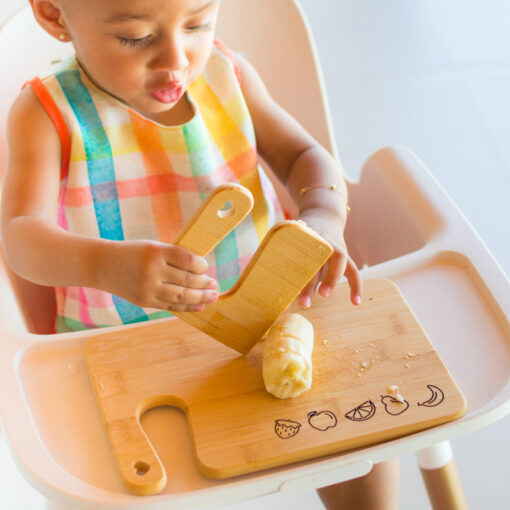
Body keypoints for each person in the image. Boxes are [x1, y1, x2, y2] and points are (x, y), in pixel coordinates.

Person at [1, 0, 398, 507]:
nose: (177, 59)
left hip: (263, 325)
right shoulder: (45, 114)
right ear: (56, 15)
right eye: (135, 37)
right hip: (118, 351)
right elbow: (18, 236)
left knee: (366, 444)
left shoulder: (227, 75)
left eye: (197, 24)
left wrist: (322, 216)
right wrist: (106, 264)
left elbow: (304, 156)